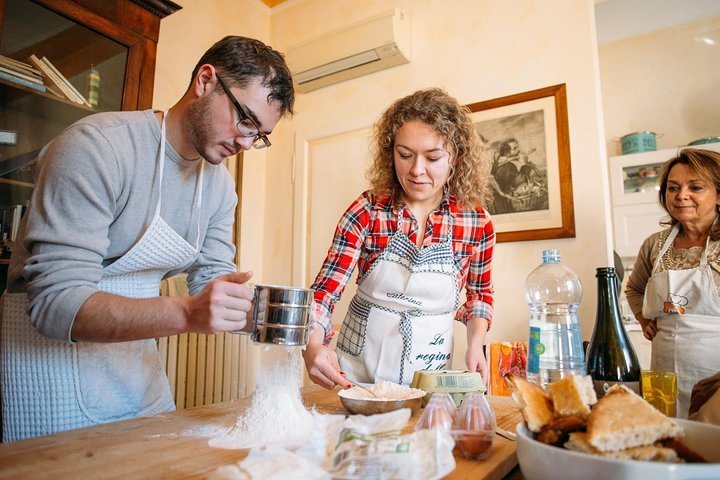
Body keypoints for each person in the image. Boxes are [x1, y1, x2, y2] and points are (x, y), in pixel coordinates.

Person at [0, 36, 295, 441]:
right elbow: (55, 304)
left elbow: (213, 279)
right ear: (205, 81)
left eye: (258, 135)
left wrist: (277, 317)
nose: (245, 143)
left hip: (134, 369)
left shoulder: (220, 188)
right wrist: (188, 314)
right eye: (245, 119)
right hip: (49, 369)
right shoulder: (98, 147)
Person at [302, 88, 495, 390]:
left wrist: (475, 345)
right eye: (405, 155)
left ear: (455, 156)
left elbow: (479, 296)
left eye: (432, 157)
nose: (417, 170)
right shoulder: (367, 210)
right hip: (357, 378)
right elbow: (325, 292)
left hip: (429, 378)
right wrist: (312, 343)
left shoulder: (476, 222)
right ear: (390, 153)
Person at [626, 148, 720, 418]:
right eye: (673, 188)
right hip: (664, 369)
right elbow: (634, 288)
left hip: (714, 374)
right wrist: (643, 319)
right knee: (667, 441)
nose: (681, 196)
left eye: (696, 187)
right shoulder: (654, 245)